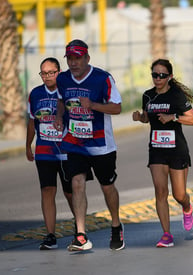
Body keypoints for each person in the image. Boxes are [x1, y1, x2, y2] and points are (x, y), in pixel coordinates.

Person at [53, 39, 125, 251]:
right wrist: (59, 117)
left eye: (77, 58)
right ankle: (81, 235)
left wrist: (93, 105)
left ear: (87, 58)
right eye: (70, 59)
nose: (73, 63)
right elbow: (60, 101)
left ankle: (115, 225)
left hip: (101, 144)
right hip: (74, 142)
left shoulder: (102, 78)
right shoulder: (63, 79)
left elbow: (117, 108)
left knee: (107, 186)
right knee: (77, 182)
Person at [132, 59, 193, 247]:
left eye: (162, 75)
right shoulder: (148, 96)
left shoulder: (176, 95)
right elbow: (147, 118)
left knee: (179, 195)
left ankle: (187, 206)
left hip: (177, 149)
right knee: (160, 191)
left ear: (169, 77)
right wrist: (140, 117)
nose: (158, 79)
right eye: (154, 75)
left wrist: (173, 117)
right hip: (157, 150)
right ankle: (166, 234)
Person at [26, 57, 74, 250]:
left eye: (51, 72)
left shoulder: (68, 92)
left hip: (67, 152)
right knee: (47, 190)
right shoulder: (36, 94)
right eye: (43, 73)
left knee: (71, 192)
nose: (47, 77)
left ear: (59, 72)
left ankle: (80, 231)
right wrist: (28, 144)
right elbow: (31, 121)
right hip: (44, 151)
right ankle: (50, 235)